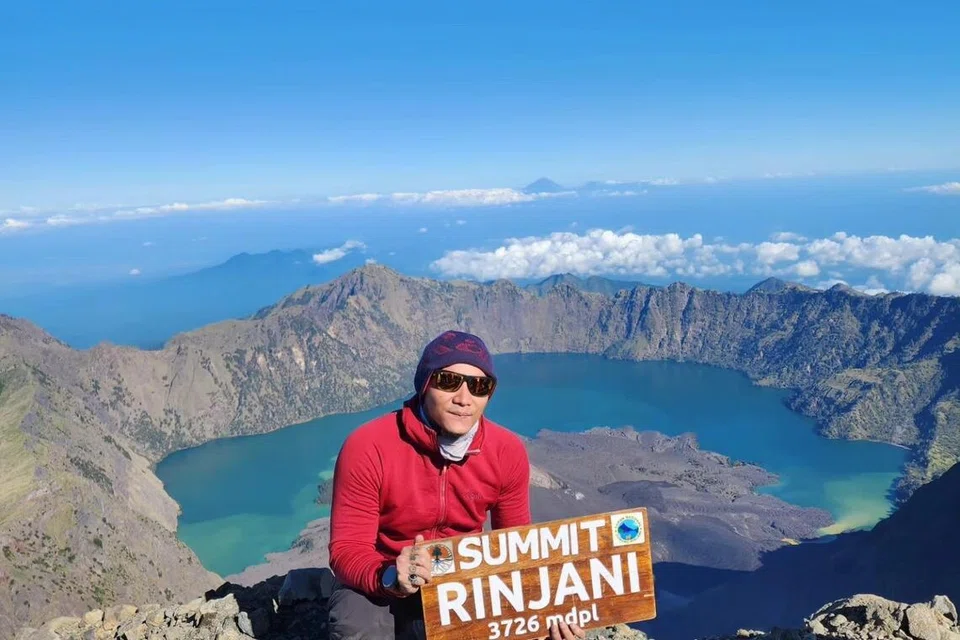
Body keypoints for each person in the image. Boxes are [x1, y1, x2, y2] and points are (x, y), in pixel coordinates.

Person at [326, 330, 585, 640]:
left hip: (459, 578)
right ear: (424, 384)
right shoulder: (369, 445)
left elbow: (516, 546)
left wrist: (544, 612)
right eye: (448, 382)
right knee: (354, 626)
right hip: (381, 572)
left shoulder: (506, 451)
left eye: (479, 386)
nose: (464, 399)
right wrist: (390, 575)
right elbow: (347, 547)